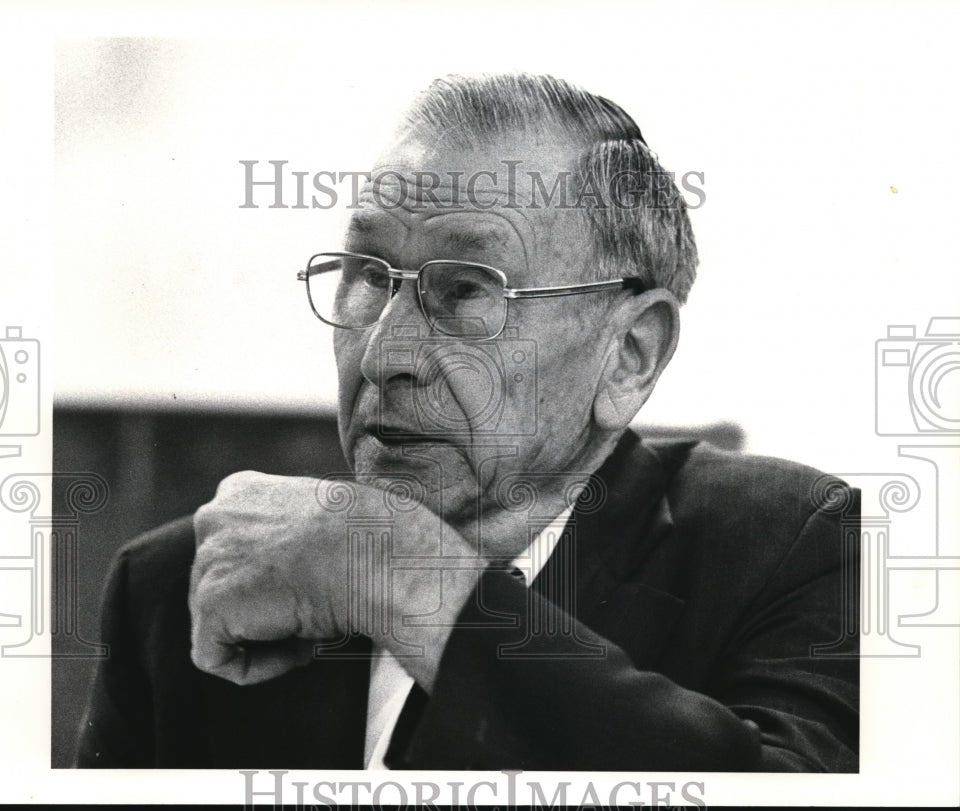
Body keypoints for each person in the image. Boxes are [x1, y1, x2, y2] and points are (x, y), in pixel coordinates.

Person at [75, 73, 859, 772]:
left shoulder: (792, 544)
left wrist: (397, 575)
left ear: (627, 355)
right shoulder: (185, 582)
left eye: (465, 292)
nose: (385, 354)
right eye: (368, 278)